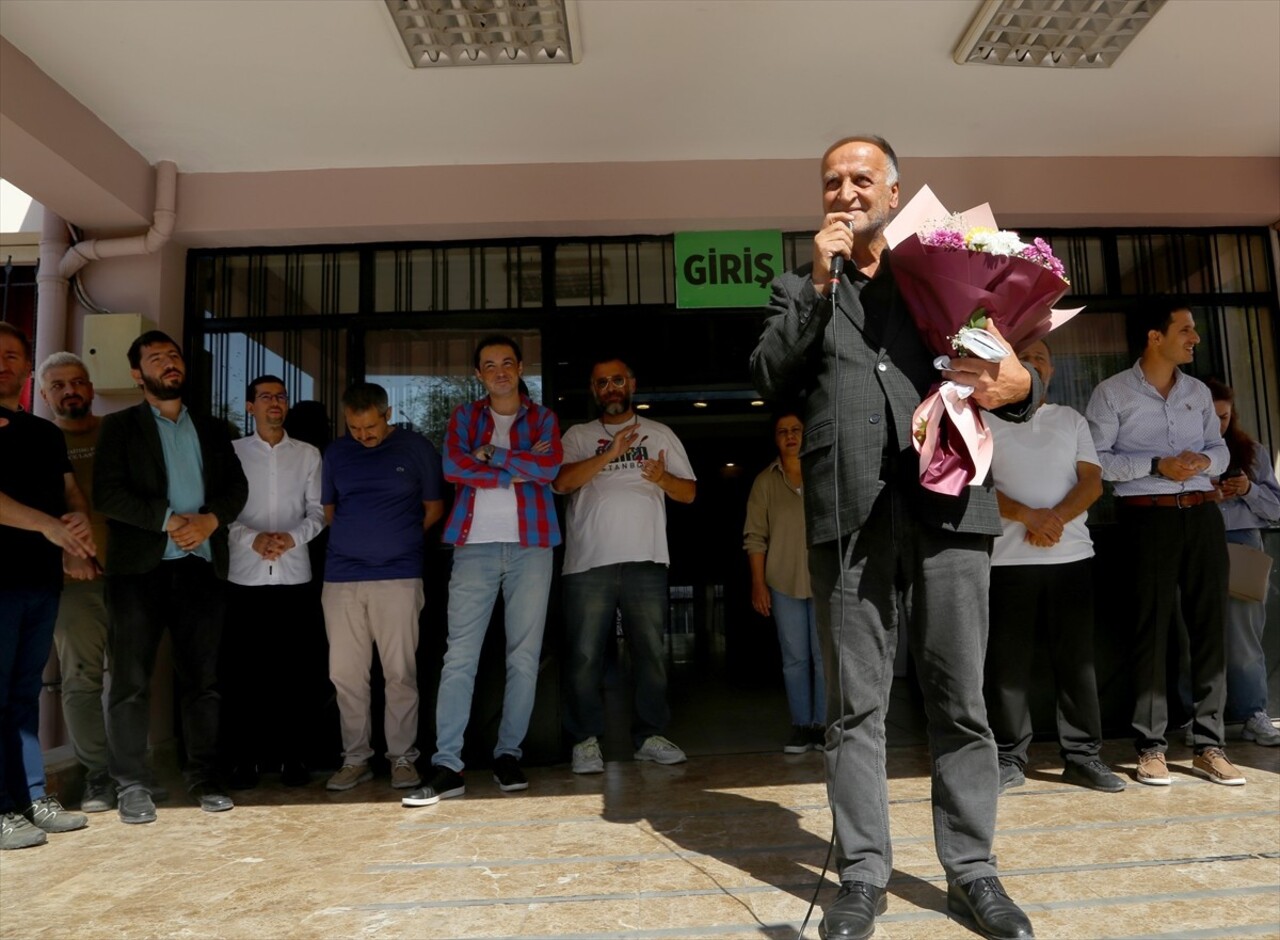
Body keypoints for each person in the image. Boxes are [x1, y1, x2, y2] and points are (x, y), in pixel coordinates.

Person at [749, 135, 1038, 940]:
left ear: (894, 190)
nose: (844, 191)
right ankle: (864, 877)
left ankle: (973, 872)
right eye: (831, 181)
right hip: (847, 517)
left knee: (960, 699)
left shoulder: (942, 269)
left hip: (950, 511)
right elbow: (769, 376)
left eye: (860, 179)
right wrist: (813, 284)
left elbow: (1015, 371)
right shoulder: (799, 286)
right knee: (855, 712)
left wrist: (1023, 383)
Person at [94, 330, 249, 823]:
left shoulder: (212, 428)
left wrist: (207, 521)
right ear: (138, 375)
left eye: (174, 356)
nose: (169, 363)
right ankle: (132, 783)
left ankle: (203, 777)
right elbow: (108, 495)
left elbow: (236, 488)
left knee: (202, 680)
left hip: (201, 567)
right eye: (156, 358)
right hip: (140, 570)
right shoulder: (120, 427)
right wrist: (167, 520)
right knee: (131, 681)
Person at [1086, 303, 1241, 787]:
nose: (1195, 337)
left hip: (1202, 516)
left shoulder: (1197, 393)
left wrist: (1203, 462)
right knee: (1150, 631)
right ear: (1155, 337)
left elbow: (1222, 449)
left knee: (1210, 628)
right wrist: (1157, 466)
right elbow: (1097, 461)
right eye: (1186, 329)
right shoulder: (1111, 393)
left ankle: (1209, 745)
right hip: (1145, 521)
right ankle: (1150, 748)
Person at [402, 336, 562, 807]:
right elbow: (453, 467)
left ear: (520, 368)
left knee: (523, 658)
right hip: (473, 546)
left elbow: (550, 467)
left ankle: (507, 754)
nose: (499, 372)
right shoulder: (464, 418)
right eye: (489, 365)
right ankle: (447, 764)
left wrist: (493, 456)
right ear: (478, 375)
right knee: (459, 658)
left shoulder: (543, 418)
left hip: (532, 547)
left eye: (507, 363)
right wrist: (518, 465)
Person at [983, 340, 1124, 794]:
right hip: (1007, 562)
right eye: (1023, 356)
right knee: (1007, 665)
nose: (1033, 363)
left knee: (1077, 662)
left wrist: (1054, 519)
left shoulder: (1071, 419)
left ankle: (1083, 757)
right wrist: (1028, 516)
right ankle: (1008, 758)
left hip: (1071, 556)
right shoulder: (982, 421)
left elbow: (1093, 481)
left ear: (1053, 369)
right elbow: (973, 487)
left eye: (1041, 356)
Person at [555, 356, 696, 775]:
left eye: (617, 380)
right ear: (594, 390)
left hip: (645, 558)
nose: (610, 388)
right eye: (602, 383)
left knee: (650, 652)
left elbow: (688, 493)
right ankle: (585, 741)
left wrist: (662, 479)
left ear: (631, 384)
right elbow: (561, 482)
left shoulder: (660, 434)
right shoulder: (578, 436)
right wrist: (612, 452)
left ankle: (650, 736)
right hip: (588, 562)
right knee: (584, 655)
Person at [321, 383, 444, 792]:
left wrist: (401, 540)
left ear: (386, 413)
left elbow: (434, 508)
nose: (363, 435)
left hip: (399, 575)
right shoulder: (337, 453)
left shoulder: (415, 448)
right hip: (342, 577)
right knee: (346, 674)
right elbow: (330, 511)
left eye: (370, 426)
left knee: (400, 673)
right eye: (354, 428)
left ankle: (403, 759)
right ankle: (355, 758)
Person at [0, 326, 94, 849]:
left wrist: (75, 524)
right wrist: (49, 526)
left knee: (23, 695)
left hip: (40, 583)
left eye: (13, 355)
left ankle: (32, 796)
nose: (4, 363)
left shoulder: (44, 432)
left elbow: (70, 493)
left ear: (26, 369)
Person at [222, 375, 326, 788]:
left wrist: (291, 538)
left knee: (294, 674)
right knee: (245, 675)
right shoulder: (231, 454)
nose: (274, 403)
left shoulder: (308, 455)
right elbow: (221, 512)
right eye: (265, 397)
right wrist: (253, 539)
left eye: (280, 397)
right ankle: (245, 760)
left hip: (294, 575)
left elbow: (318, 513)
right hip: (244, 577)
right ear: (250, 407)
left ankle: (294, 759)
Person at [36, 352, 115, 812]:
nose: (71, 391)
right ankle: (98, 777)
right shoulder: (40, 441)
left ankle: (130, 773)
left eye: (79, 382)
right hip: (73, 581)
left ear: (91, 386)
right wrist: (69, 552)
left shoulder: (119, 432)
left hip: (130, 577)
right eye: (59, 385)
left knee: (131, 679)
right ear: (45, 395)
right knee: (82, 680)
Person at [743, 411, 824, 753]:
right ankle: (801, 726)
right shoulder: (765, 481)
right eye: (782, 432)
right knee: (795, 659)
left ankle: (823, 725)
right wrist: (758, 584)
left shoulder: (824, 473)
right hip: (782, 581)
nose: (790, 436)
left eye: (796, 430)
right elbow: (754, 538)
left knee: (825, 660)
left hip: (824, 581)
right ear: (775, 439)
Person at [1206, 378, 1280, 747]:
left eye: (1225, 416)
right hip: (1197, 539)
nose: (1218, 423)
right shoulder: (1177, 448)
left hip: (1242, 541)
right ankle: (1199, 719)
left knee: (1245, 635)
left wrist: (1247, 490)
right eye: (1211, 415)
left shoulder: (1252, 451)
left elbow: (1276, 509)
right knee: (1193, 631)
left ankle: (1253, 713)